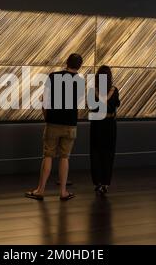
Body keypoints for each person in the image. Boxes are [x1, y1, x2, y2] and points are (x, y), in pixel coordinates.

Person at [25, 53, 84, 201]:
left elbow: (45, 101)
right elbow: (77, 105)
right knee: (65, 157)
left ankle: (40, 190)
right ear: (80, 66)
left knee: (48, 155)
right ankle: (63, 192)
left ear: (66, 62)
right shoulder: (80, 82)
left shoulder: (53, 77)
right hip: (70, 124)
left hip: (53, 123)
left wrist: (47, 117)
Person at [90, 65, 120, 195]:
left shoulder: (93, 90)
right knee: (109, 153)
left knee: (95, 153)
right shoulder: (114, 90)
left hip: (96, 125)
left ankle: (98, 182)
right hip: (110, 125)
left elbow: (91, 105)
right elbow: (117, 104)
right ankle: (106, 183)